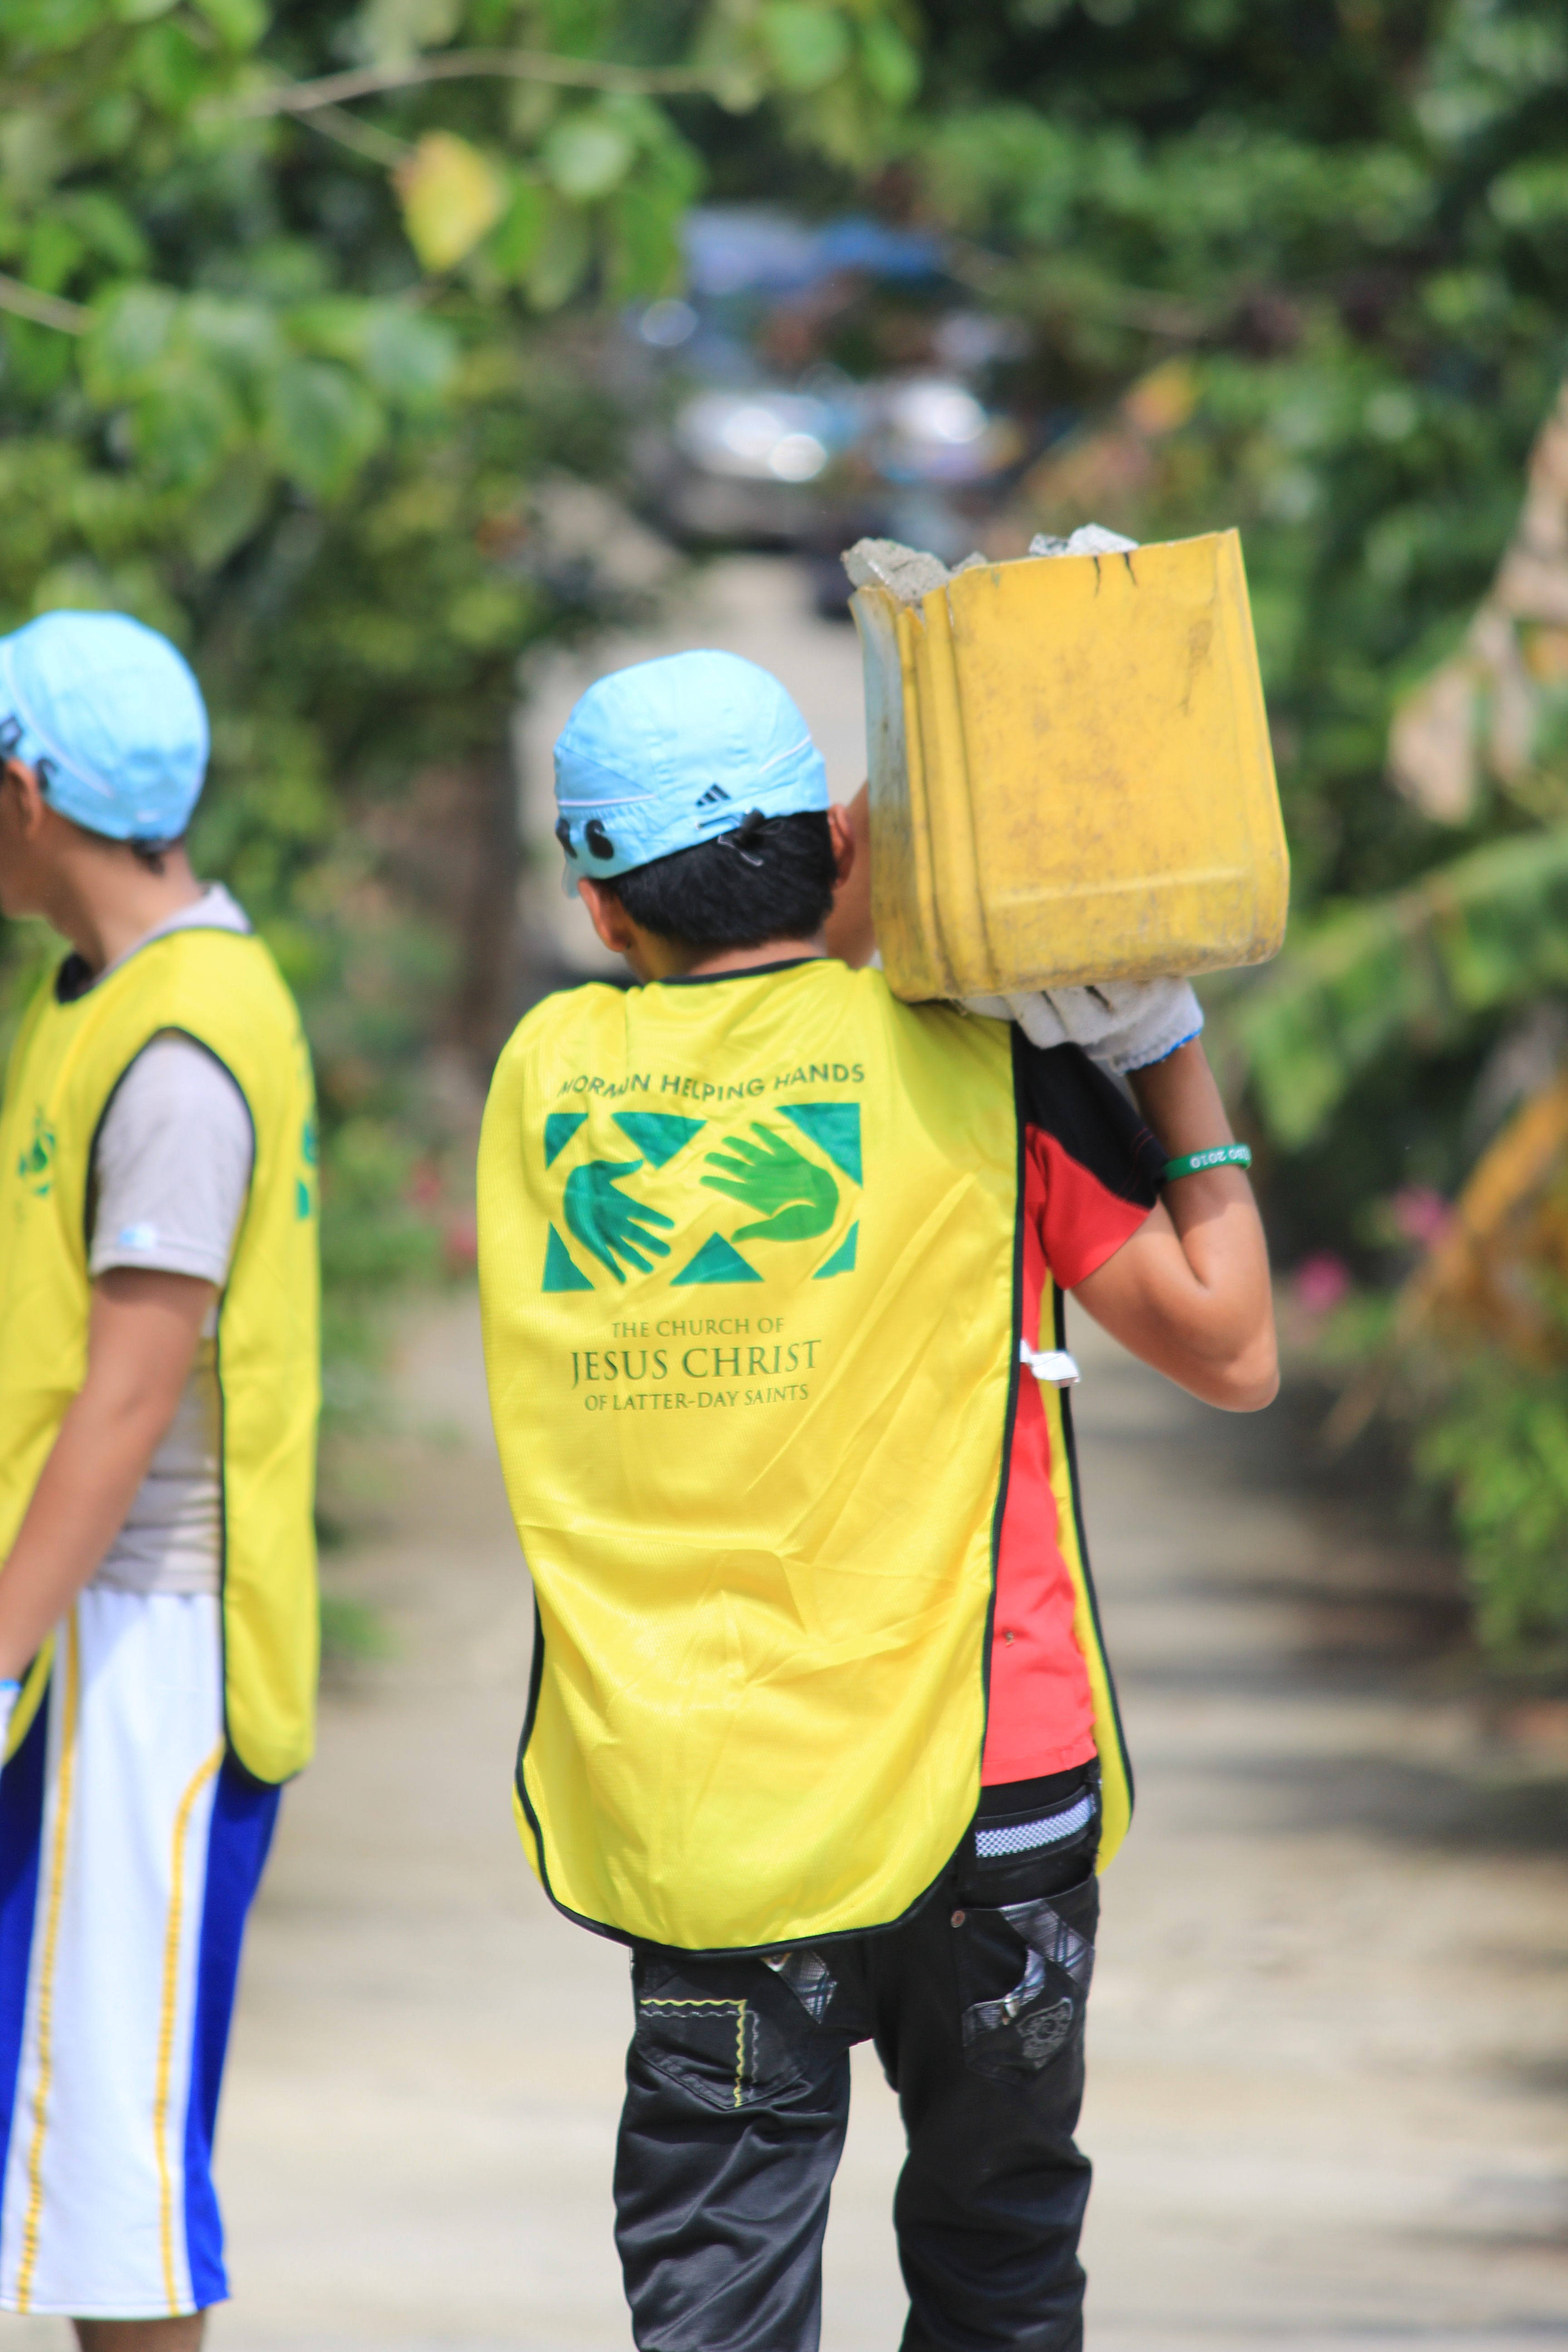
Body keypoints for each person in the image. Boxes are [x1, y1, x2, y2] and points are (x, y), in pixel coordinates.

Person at [477, 649, 1276, 2352]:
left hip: (710, 1811)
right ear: (846, 842)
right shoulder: (986, 1070)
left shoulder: (544, 1083)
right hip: (998, 1790)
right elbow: (1233, 1348)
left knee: (720, 2291)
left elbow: (752, 1013)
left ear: (602, 914)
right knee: (996, 2265)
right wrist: (1167, 1051)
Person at [0, 612, 320, 2345]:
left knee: (113, 2183)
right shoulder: (102, 995)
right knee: (57, 2148)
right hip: (73, 1629)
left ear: (26, 791)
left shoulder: (185, 1050)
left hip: (138, 1651)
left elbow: (128, 1401)